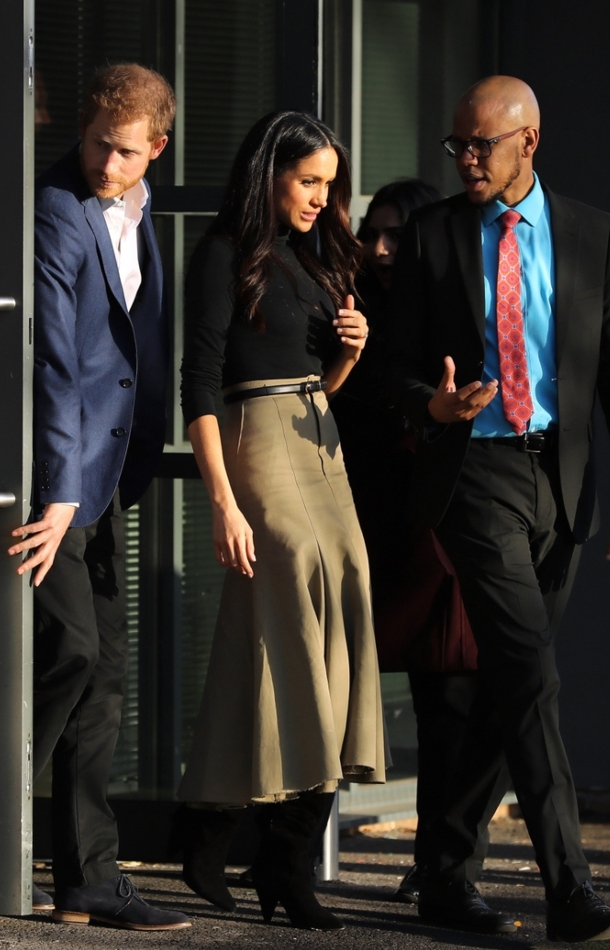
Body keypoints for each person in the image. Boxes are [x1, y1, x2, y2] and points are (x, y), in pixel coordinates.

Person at [387, 75, 610, 942]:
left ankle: (442, 876)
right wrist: (430, 408)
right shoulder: (432, 236)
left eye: (482, 145)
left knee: (506, 689)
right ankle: (570, 892)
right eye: (456, 145)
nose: (465, 158)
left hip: (564, 484)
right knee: (531, 673)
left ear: (528, 141)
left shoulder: (591, 234)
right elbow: (389, 372)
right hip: (475, 475)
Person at [174, 110, 388, 932]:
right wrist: (222, 501)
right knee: (297, 583)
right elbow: (199, 381)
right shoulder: (225, 253)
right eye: (308, 181)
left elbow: (315, 385)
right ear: (268, 174)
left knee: (328, 607)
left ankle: (238, 841)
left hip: (317, 438)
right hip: (255, 440)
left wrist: (349, 353)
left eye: (328, 185)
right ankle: (271, 856)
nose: (319, 199)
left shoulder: (313, 257)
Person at [8, 64, 189, 931]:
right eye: (94, 145)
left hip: (108, 476)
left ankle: (88, 877)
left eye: (123, 152)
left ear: (158, 148)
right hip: (63, 480)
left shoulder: (137, 212)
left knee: (105, 674)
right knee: (72, 652)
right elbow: (51, 362)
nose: (103, 164)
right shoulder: (55, 207)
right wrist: (57, 494)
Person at [331, 179, 480, 905]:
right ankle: (291, 848)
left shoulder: (448, 307)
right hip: (361, 513)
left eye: (397, 235)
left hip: (429, 522)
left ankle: (438, 863)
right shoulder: (348, 303)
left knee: (445, 689)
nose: (381, 248)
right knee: (334, 678)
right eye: (372, 232)